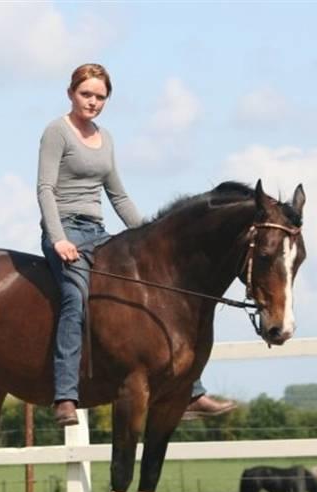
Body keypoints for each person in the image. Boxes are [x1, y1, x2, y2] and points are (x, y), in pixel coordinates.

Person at [37, 63, 235, 426]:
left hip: (98, 231)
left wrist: (152, 235)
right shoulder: (57, 132)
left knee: (151, 294)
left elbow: (118, 195)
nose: (92, 102)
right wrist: (58, 238)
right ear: (71, 93)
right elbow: (45, 189)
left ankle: (192, 391)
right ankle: (65, 395)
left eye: (100, 97)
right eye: (86, 94)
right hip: (65, 231)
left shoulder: (104, 137)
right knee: (73, 297)